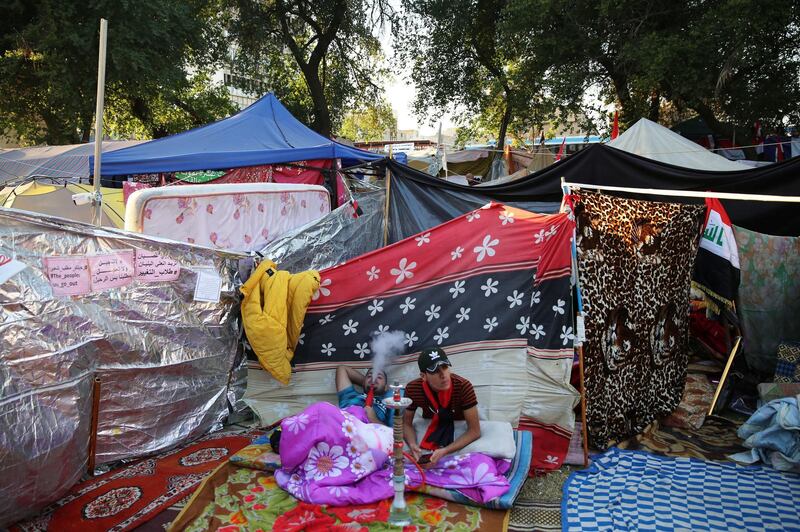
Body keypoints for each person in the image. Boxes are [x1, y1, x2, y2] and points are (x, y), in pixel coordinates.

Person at [403, 347, 481, 467]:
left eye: (444, 367)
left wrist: (445, 451)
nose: (443, 375)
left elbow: (474, 431)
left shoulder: (463, 386)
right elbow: (406, 423)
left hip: (460, 424)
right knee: (398, 449)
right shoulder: (413, 389)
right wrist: (413, 445)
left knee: (478, 455)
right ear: (423, 376)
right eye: (434, 371)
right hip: (431, 423)